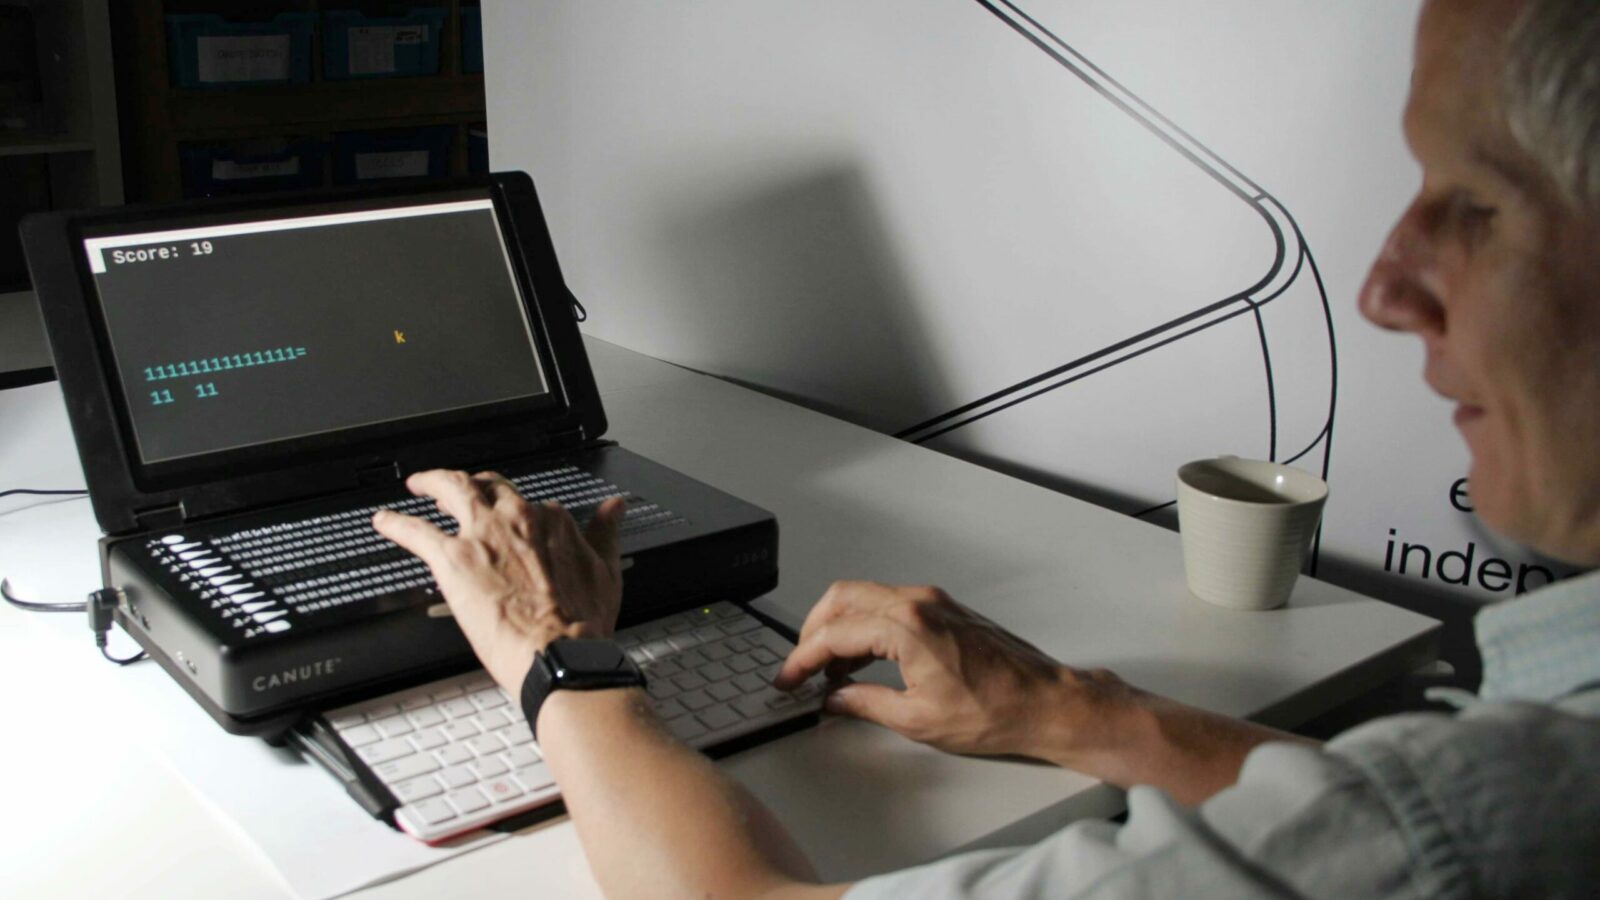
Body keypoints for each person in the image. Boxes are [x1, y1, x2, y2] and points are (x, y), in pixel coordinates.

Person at [371, 0, 1600, 896]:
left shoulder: (1508, 812)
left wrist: (558, 656)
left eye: (1477, 205)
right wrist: (1078, 712)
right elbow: (1381, 809)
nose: (1383, 289)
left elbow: (1424, 825)